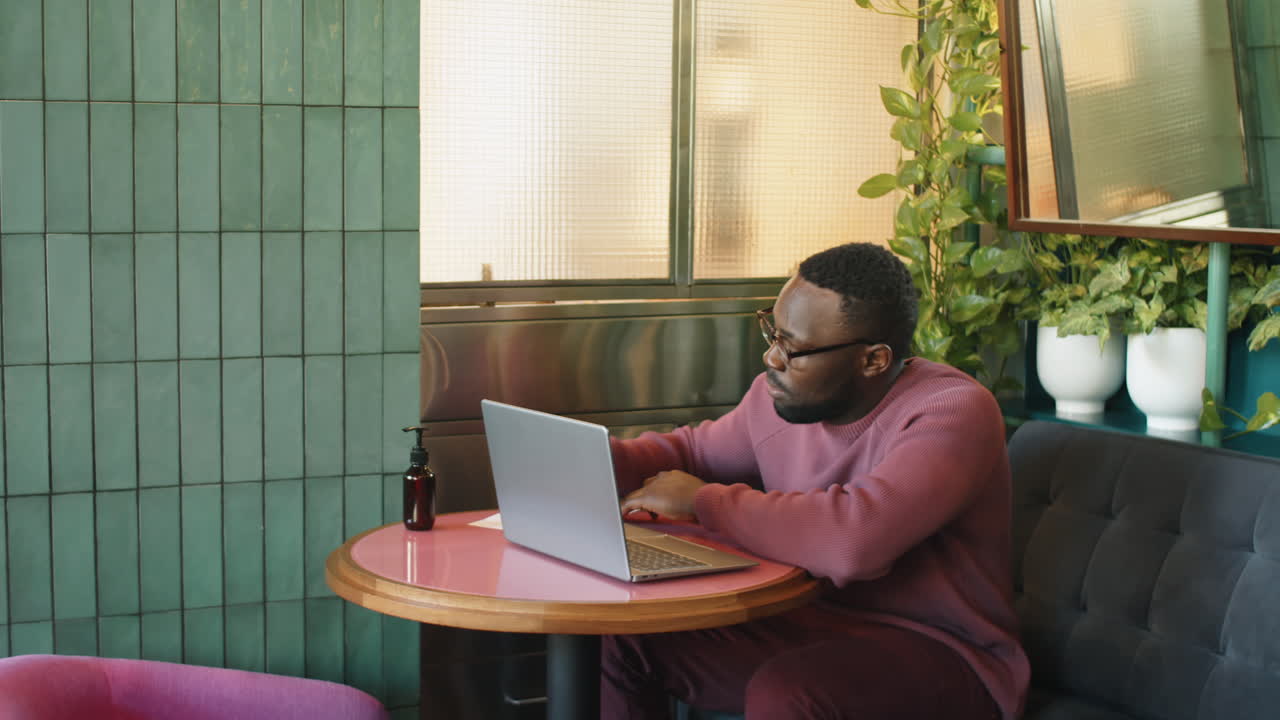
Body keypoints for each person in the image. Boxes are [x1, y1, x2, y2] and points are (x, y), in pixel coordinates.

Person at [604, 242, 1029, 719]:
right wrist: (593, 459)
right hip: (809, 622)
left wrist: (704, 502)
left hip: (943, 650)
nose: (771, 358)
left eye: (793, 348)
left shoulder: (952, 410)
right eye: (773, 332)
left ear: (874, 360)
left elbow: (854, 539)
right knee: (629, 638)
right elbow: (693, 452)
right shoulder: (781, 399)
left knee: (791, 693)